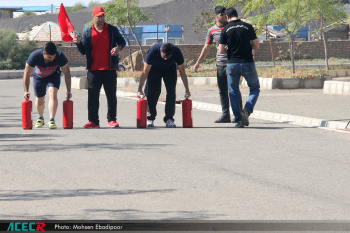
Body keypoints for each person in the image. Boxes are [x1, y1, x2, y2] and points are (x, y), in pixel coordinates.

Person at [75, 6, 126, 128]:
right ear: (93, 17)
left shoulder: (112, 30)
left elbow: (122, 42)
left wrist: (117, 48)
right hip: (93, 70)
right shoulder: (87, 32)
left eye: (103, 16)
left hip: (109, 69)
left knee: (111, 96)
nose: (101, 18)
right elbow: (83, 51)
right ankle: (93, 121)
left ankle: (112, 120)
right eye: (99, 16)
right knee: (92, 96)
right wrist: (78, 43)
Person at [193, 6, 242, 124]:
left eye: (225, 14)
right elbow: (206, 47)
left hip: (232, 62)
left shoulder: (231, 26)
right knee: (222, 90)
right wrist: (198, 62)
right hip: (220, 63)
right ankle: (225, 115)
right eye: (221, 14)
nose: (224, 16)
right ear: (216, 16)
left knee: (234, 89)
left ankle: (239, 115)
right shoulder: (212, 30)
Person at [219, 7, 260, 128]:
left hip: (232, 64)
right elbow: (256, 45)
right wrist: (246, 47)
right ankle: (247, 110)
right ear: (238, 14)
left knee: (233, 92)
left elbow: (221, 50)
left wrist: (232, 49)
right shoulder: (247, 26)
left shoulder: (225, 29)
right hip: (247, 62)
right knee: (254, 88)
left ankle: (238, 119)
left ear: (227, 17)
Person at [137, 43, 191, 128]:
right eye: (163, 57)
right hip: (154, 69)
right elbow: (145, 72)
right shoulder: (153, 51)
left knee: (171, 92)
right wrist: (139, 89)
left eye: (167, 57)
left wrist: (187, 89)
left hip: (170, 70)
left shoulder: (176, 52)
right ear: (160, 51)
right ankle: (150, 117)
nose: (165, 59)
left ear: (171, 54)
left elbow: (182, 72)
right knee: (152, 92)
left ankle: (169, 118)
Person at [23, 41, 72, 129]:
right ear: (43, 53)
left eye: (54, 57)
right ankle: (40, 118)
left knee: (53, 93)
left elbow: (67, 73)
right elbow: (26, 74)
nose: (52, 59)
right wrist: (26, 91)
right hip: (39, 76)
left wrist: (69, 90)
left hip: (53, 75)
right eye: (50, 57)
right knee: (40, 99)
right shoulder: (35, 56)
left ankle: (52, 119)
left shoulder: (60, 56)